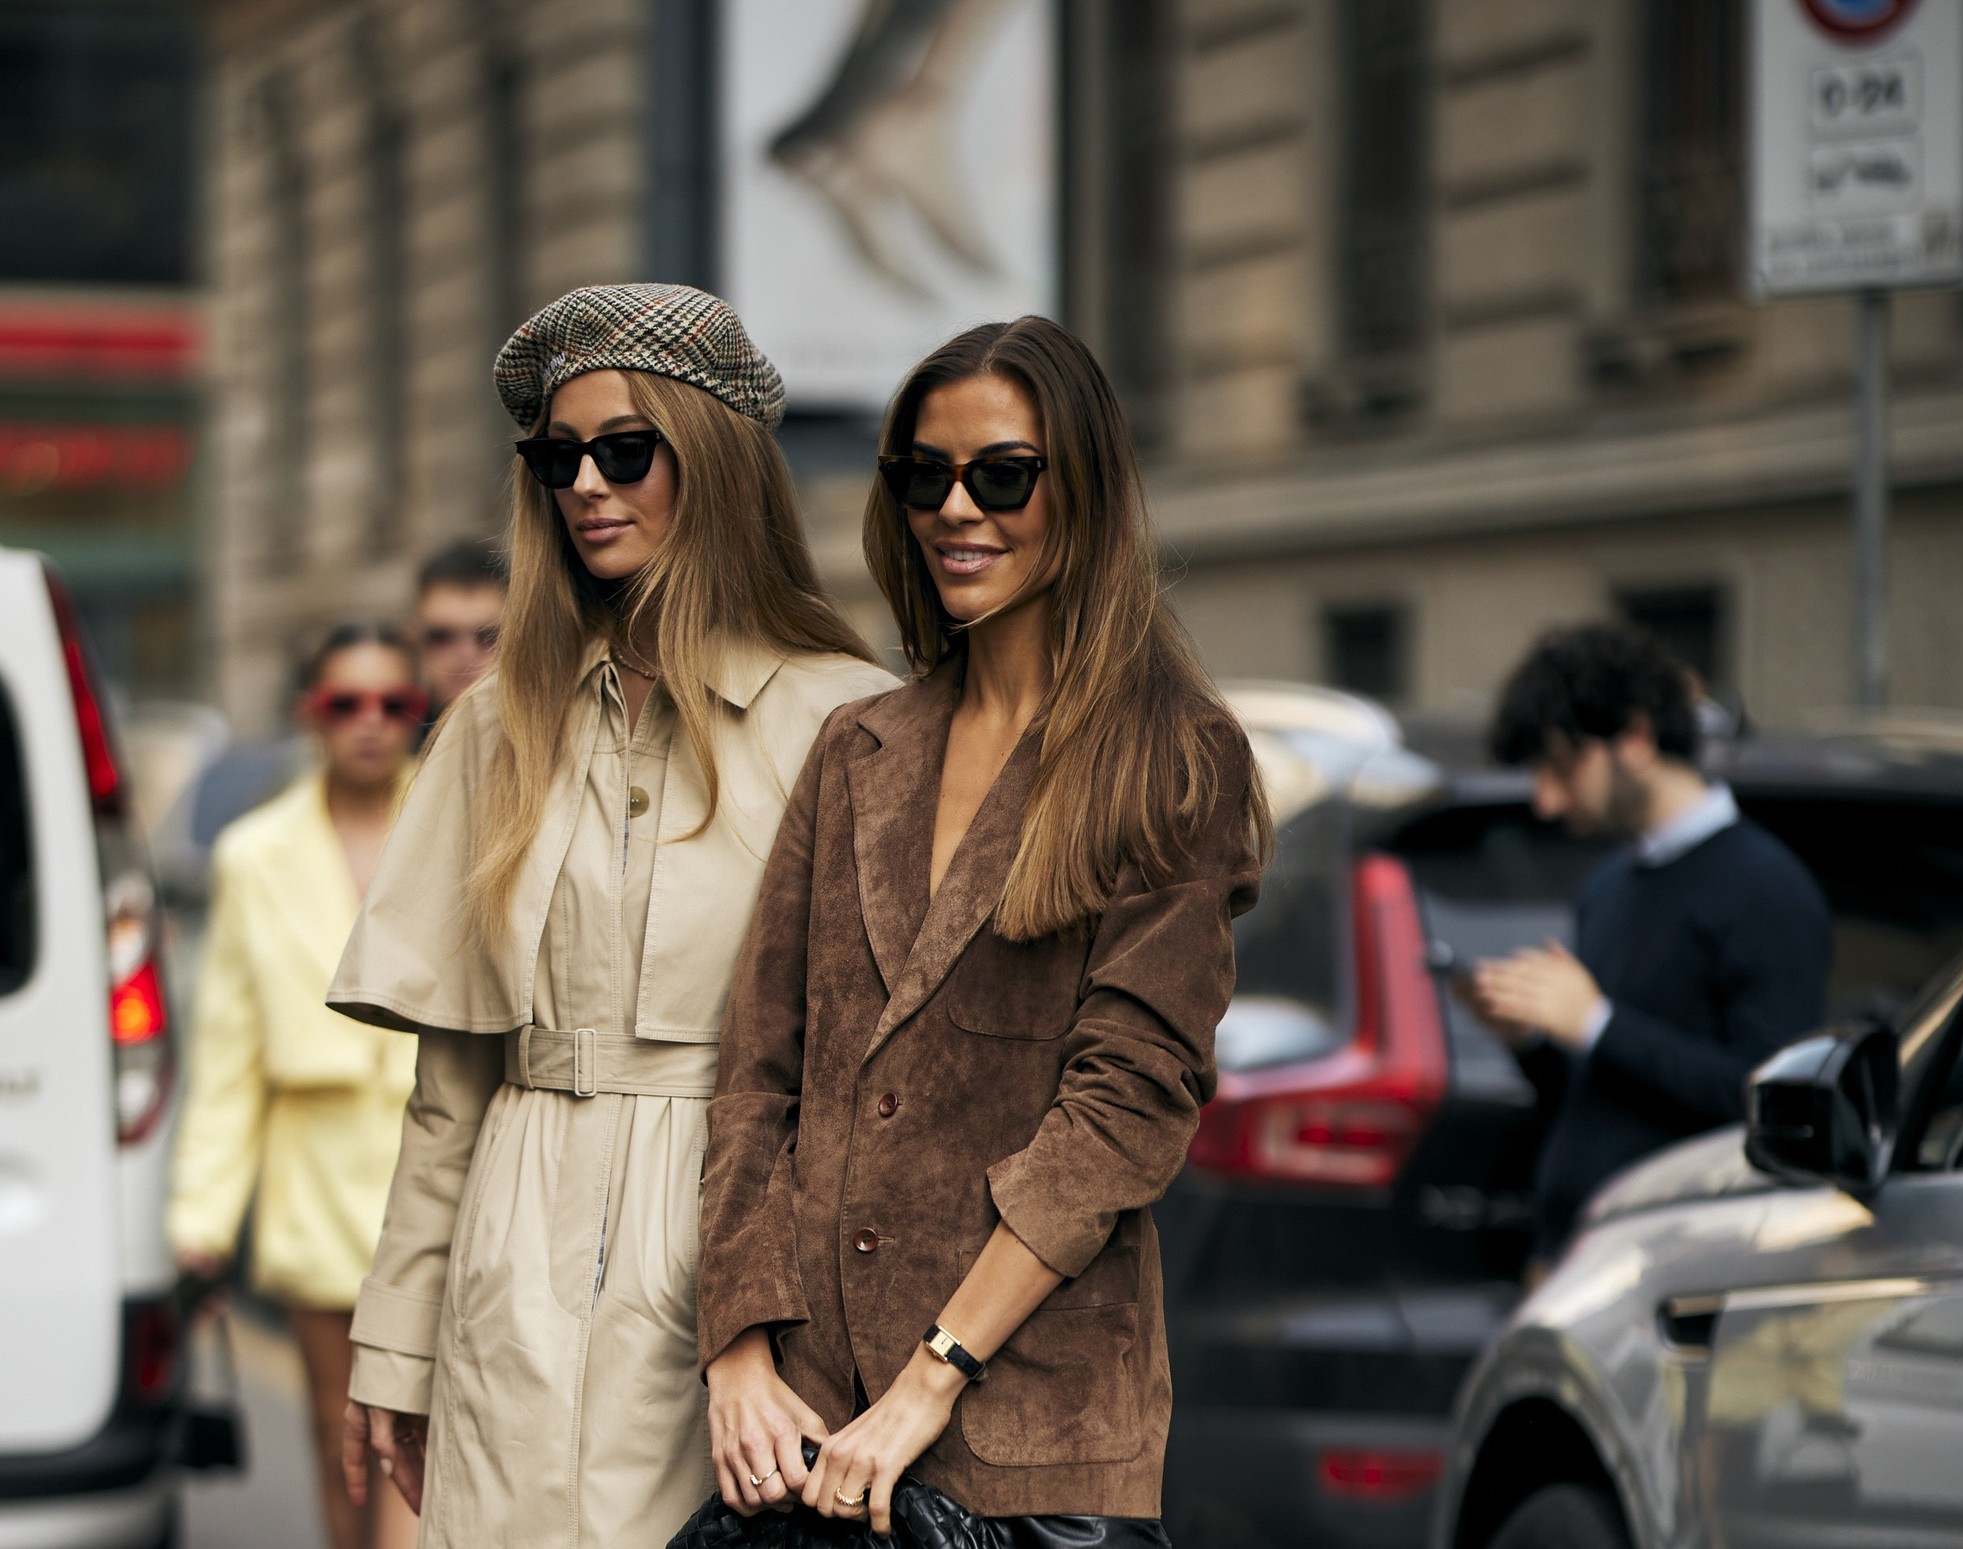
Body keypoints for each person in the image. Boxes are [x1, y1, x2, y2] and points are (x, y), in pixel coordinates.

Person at [327, 283, 896, 1549]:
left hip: (736, 1256)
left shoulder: (847, 721)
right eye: (557, 458)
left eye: (625, 451)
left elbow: (877, 1089)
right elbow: (451, 1082)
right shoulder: (493, 725)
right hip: (511, 1246)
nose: (584, 485)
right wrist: (397, 1340)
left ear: (714, 462)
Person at [698, 316, 1270, 1542]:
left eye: (1001, 475)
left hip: (1030, 1441)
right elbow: (756, 1075)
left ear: (1083, 488)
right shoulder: (858, 747)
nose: (955, 509)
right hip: (812, 1426)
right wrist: (739, 1347)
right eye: (925, 476)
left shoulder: (1169, 759)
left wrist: (929, 1379)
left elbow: (1123, 1107)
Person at [167, 623, 426, 1549]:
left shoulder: (459, 820)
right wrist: (201, 1220)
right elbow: (228, 1052)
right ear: (308, 713)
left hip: (438, 1174)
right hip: (315, 1186)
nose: (370, 721)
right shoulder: (254, 853)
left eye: (394, 702)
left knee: (421, 1429)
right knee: (337, 1430)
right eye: (345, 702)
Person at [1469, 622, 1831, 1265]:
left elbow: (1768, 1099)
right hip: (1575, 1250)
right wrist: (1531, 1039)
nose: (1546, 800)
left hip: (1681, 1260)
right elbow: (1597, 1093)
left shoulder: (1765, 887)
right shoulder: (1609, 884)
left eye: (1563, 766)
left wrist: (1597, 1022)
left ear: (1635, 737)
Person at [410, 537, 507, 726]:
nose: (465, 655)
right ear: (414, 639)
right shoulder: (396, 736)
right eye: (441, 637)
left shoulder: (551, 734)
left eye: (488, 637)